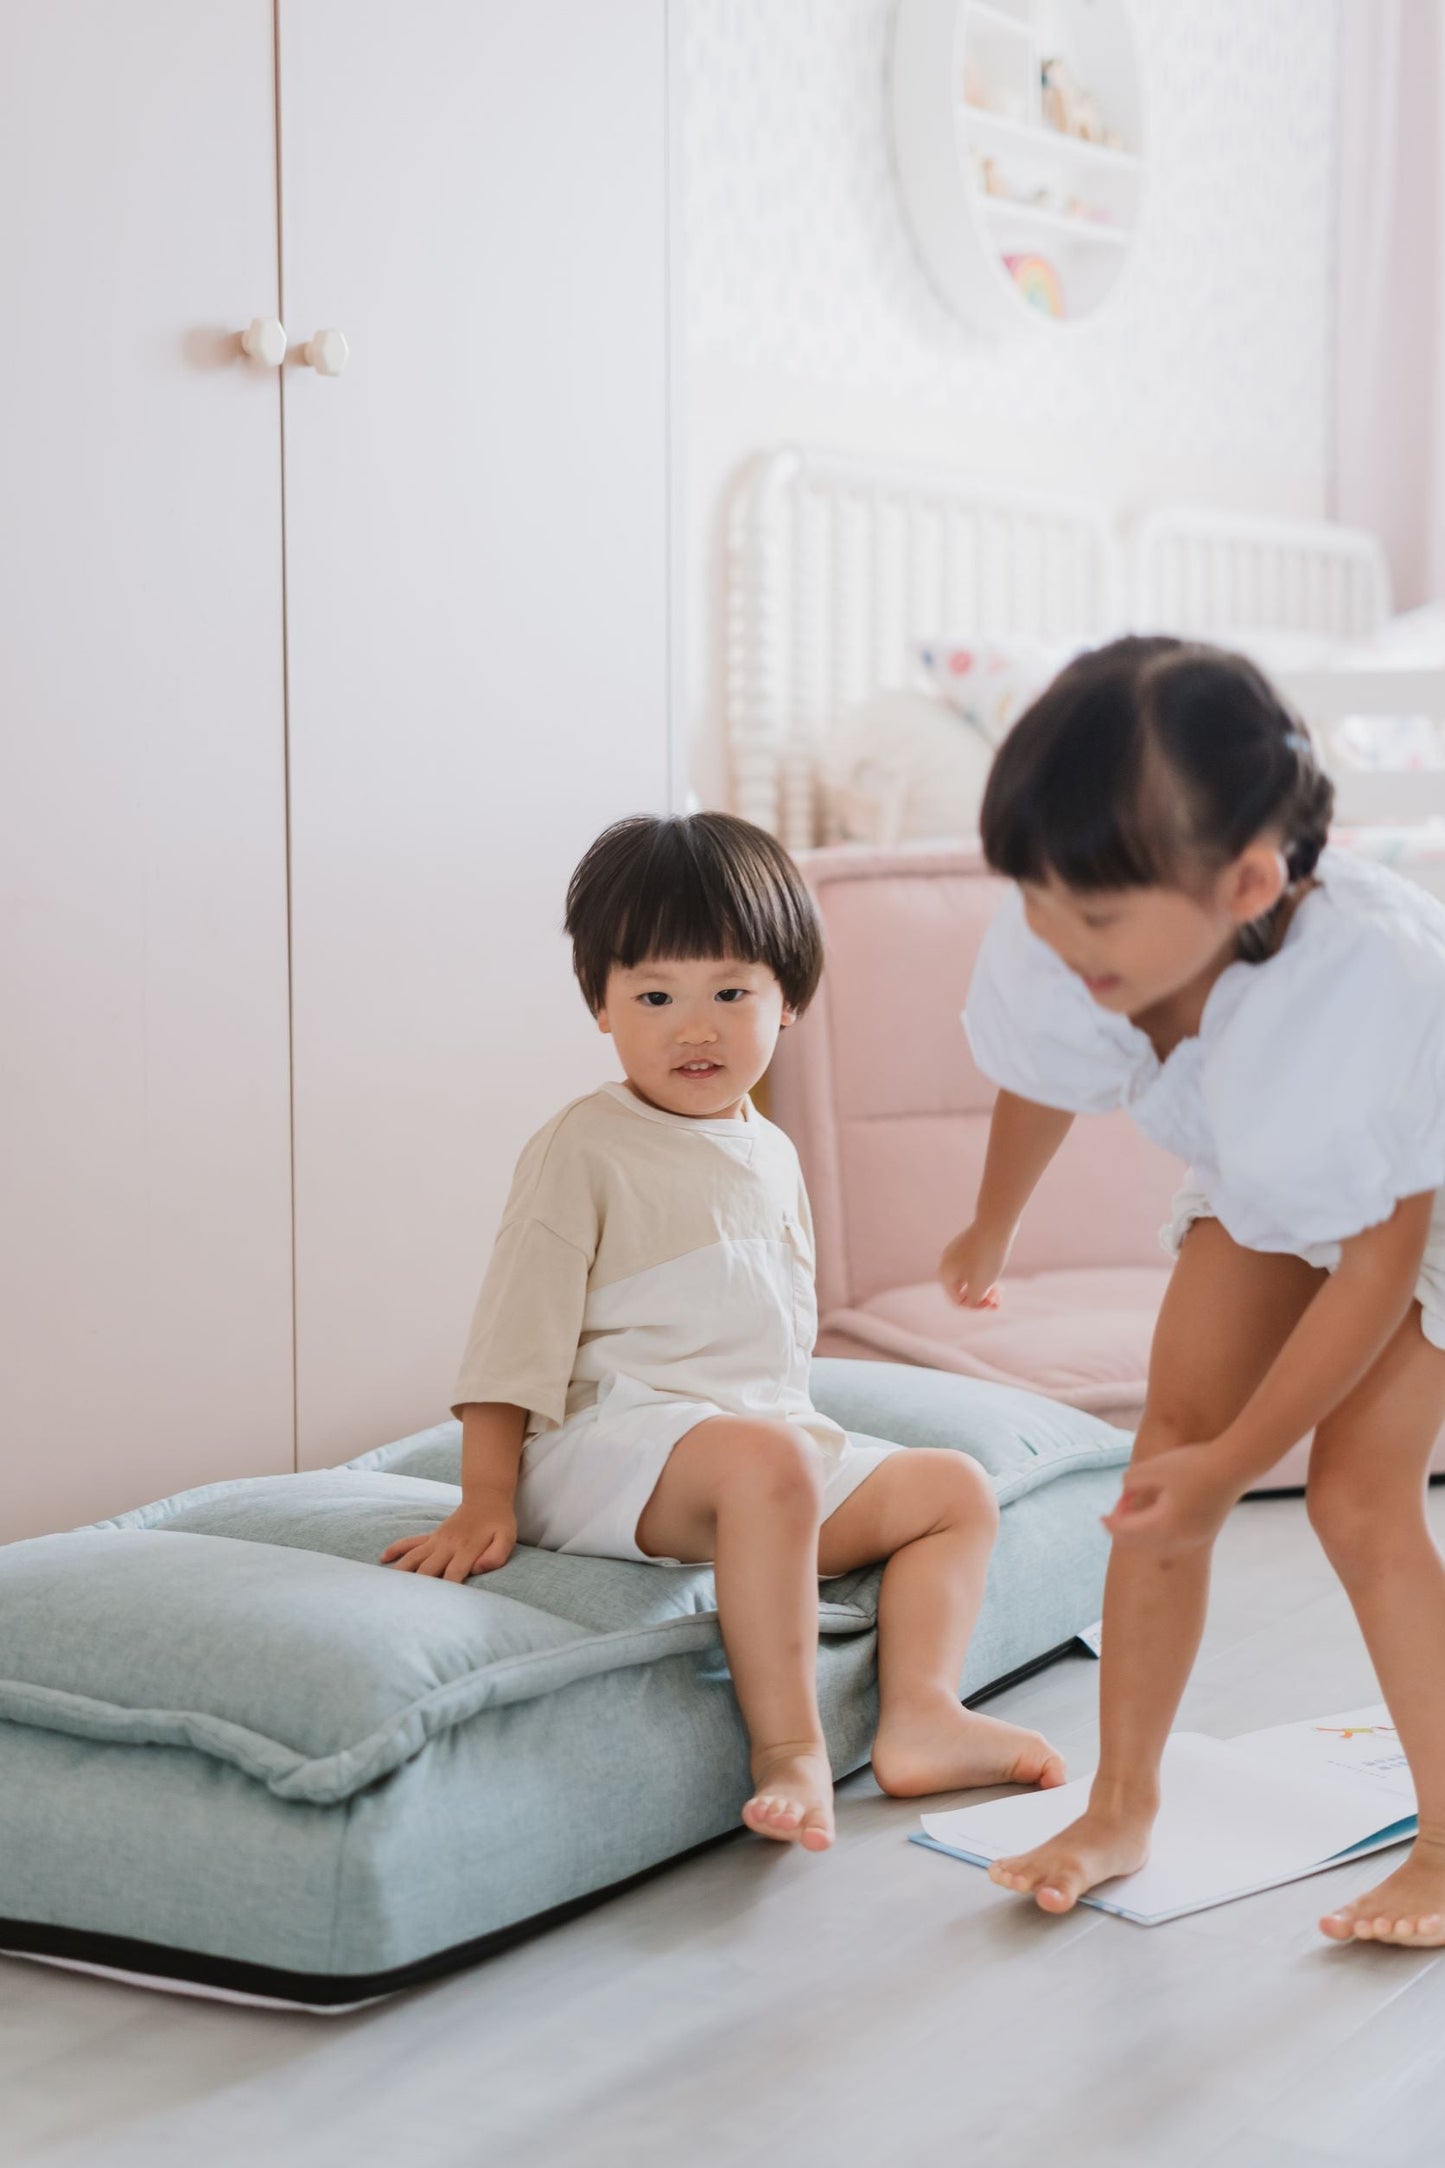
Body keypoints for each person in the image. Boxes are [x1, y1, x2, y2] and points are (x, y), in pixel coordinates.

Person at [383, 811, 1064, 1850]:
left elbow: (769, 1355)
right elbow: (512, 1332)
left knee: (951, 1490)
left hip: (757, 1457)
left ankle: (920, 1714)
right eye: (654, 995)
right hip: (610, 1449)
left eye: (729, 993)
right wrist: (484, 1494)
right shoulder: (584, 1146)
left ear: (786, 1000)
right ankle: (787, 1747)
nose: (691, 1027)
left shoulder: (770, 1149)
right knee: (767, 1459)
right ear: (600, 1005)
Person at [941, 635, 1445, 1945]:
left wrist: (1244, 1460)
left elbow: (1378, 1257)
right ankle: (1119, 1806)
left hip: (1422, 1197)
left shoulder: (1360, 987)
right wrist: (989, 1230)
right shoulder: (1071, 919)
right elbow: (1043, 1071)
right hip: (1269, 1163)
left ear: (1250, 882)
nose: (1057, 939)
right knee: (1159, 1459)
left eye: (1092, 919)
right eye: (1034, 899)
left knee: (1352, 1494)